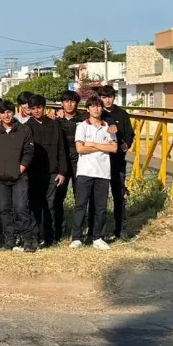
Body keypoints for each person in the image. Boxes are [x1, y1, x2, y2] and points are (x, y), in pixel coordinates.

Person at [0, 100, 37, 252]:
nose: (6, 115)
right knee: (4, 209)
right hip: (0, 178)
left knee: (21, 207)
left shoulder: (24, 130)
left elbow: (29, 152)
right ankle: (10, 239)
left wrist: (20, 169)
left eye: (9, 112)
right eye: (3, 112)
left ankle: (27, 239)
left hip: (19, 178)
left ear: (13, 112)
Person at [70, 95, 118, 250]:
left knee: (100, 207)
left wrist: (93, 144)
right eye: (93, 106)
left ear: (101, 108)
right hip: (85, 171)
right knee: (81, 205)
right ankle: (77, 237)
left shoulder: (108, 128)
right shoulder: (82, 126)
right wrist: (102, 146)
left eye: (98, 106)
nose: (96, 109)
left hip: (103, 172)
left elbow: (114, 148)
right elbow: (80, 148)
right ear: (88, 109)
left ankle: (97, 236)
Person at [25, 94, 68, 247]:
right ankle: (35, 237)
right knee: (35, 205)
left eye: (39, 107)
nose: (37, 111)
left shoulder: (54, 125)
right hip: (33, 173)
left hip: (52, 172)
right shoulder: (27, 127)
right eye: (33, 108)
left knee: (50, 205)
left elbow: (62, 149)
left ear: (44, 108)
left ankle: (50, 237)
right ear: (29, 110)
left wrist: (62, 171)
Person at [99, 84, 134, 241]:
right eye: (104, 97)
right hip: (99, 161)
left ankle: (121, 229)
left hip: (117, 161)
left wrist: (126, 144)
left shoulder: (122, 114)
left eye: (110, 97)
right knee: (99, 196)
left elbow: (129, 134)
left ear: (114, 97)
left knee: (119, 195)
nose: (107, 100)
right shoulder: (96, 113)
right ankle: (99, 231)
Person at [54, 90, 88, 240]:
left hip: (79, 161)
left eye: (72, 101)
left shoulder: (84, 118)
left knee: (80, 197)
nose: (69, 104)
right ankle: (58, 230)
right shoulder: (55, 120)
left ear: (76, 103)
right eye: (66, 101)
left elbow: (103, 118)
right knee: (57, 198)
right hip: (61, 162)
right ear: (61, 103)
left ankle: (79, 230)